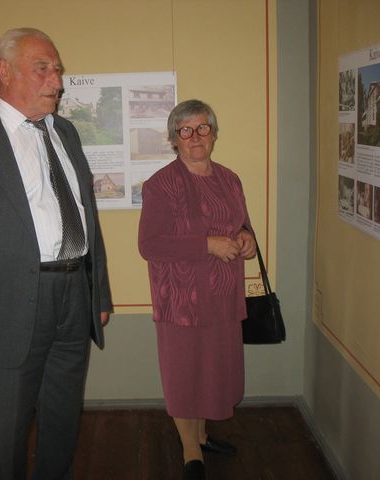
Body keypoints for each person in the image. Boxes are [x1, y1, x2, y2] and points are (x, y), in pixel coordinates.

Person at [0, 27, 112, 480]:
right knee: (5, 428)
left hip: (74, 293)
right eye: (42, 68)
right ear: (4, 72)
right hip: (7, 304)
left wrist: (98, 292)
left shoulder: (65, 131)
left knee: (63, 419)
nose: (57, 81)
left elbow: (86, 215)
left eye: (58, 70)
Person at [138, 99, 256, 480]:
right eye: (185, 130)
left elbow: (241, 224)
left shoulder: (230, 179)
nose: (195, 137)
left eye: (202, 128)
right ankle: (190, 449)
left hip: (223, 297)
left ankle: (202, 436)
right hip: (182, 300)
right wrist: (207, 245)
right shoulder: (161, 185)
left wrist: (247, 239)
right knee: (185, 373)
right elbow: (149, 245)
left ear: (214, 133)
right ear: (174, 139)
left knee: (212, 371)